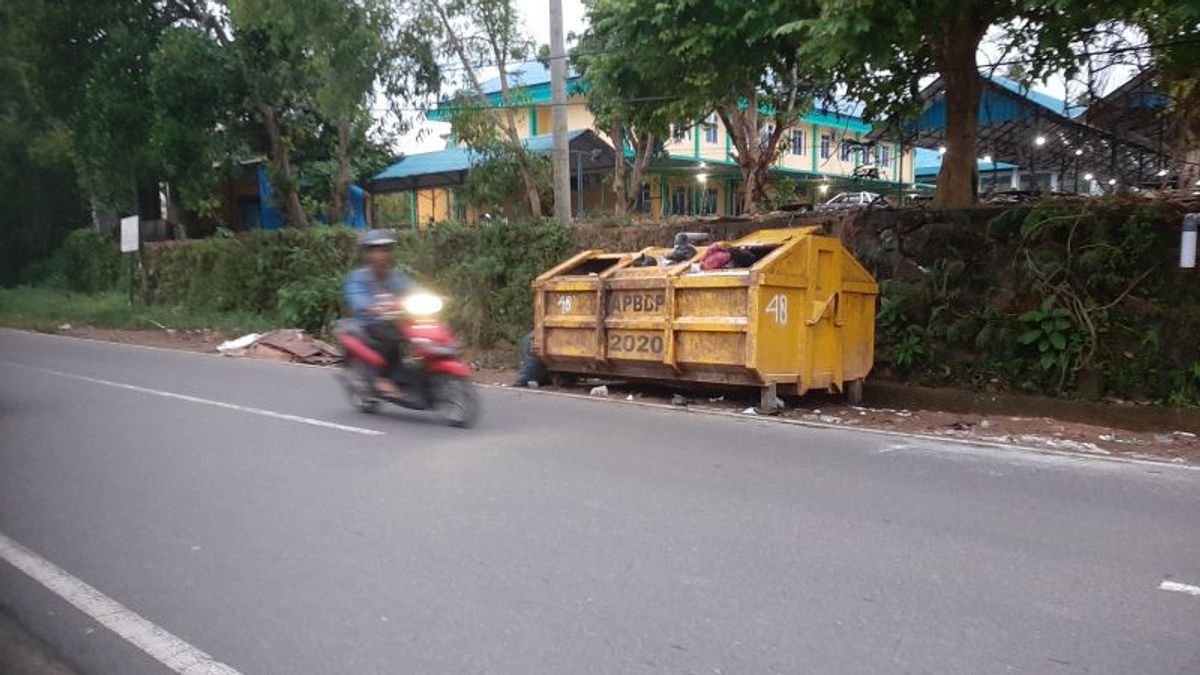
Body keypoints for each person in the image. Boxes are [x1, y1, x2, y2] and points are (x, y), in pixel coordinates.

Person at [343, 230, 413, 398]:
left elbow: (412, 289)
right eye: (376, 250)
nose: (381, 254)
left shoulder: (394, 276)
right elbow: (356, 297)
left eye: (385, 249)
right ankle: (382, 377)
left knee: (420, 333)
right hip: (370, 323)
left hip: (394, 320)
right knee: (391, 336)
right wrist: (371, 307)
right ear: (367, 253)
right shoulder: (358, 278)